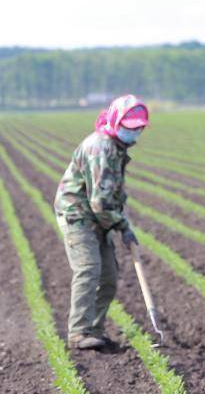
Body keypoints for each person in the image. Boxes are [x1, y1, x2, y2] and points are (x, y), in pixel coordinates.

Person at [54, 94, 149, 350]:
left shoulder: (117, 148)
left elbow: (112, 195)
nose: (135, 133)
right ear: (117, 123)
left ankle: (94, 330)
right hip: (78, 214)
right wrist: (123, 227)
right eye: (131, 128)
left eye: (139, 128)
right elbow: (99, 202)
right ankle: (78, 333)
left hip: (101, 217)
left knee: (109, 275)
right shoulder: (101, 148)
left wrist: (121, 223)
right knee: (88, 268)